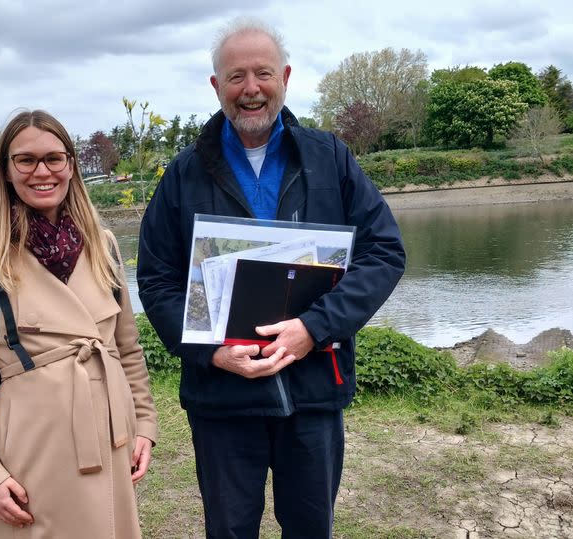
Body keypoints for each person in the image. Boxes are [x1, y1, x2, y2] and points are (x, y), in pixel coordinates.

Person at [137, 17, 405, 539]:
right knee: (230, 530)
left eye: (263, 73)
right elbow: (157, 281)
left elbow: (384, 252)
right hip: (221, 396)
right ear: (216, 87)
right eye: (236, 77)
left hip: (312, 391)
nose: (251, 89)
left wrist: (314, 328)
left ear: (285, 76)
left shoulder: (331, 159)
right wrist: (211, 351)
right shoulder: (182, 174)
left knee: (310, 528)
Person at [0, 110, 157, 538]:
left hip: (111, 437)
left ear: (71, 165)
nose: (42, 171)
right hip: (32, 448)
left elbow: (127, 350)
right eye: (26, 160)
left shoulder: (104, 245)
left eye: (54, 158)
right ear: (6, 170)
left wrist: (145, 427)